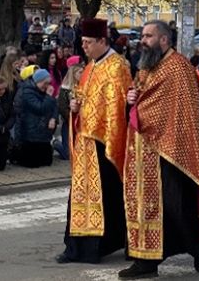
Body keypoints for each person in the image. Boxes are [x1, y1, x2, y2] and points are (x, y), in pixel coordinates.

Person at [120, 21, 199, 278]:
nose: (143, 40)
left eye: (149, 36)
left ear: (163, 40)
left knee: (175, 207)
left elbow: (183, 112)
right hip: (142, 149)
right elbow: (141, 96)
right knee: (141, 206)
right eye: (143, 35)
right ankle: (145, 262)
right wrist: (131, 99)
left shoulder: (179, 67)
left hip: (172, 149)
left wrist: (143, 110)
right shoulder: (148, 65)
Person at [59, 17, 133, 265]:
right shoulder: (91, 66)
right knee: (80, 196)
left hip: (105, 144)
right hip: (86, 143)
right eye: (83, 42)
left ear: (103, 41)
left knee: (107, 196)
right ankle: (77, 249)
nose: (85, 47)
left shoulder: (118, 66)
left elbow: (117, 109)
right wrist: (74, 106)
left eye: (89, 42)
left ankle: (99, 247)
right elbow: (82, 95)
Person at [15, 69, 58, 168]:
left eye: (48, 83)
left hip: (44, 132)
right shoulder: (27, 92)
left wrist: (53, 118)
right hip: (31, 133)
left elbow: (55, 106)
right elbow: (40, 108)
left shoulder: (46, 93)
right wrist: (48, 96)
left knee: (46, 162)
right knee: (33, 164)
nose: (47, 86)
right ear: (37, 81)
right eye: (45, 83)